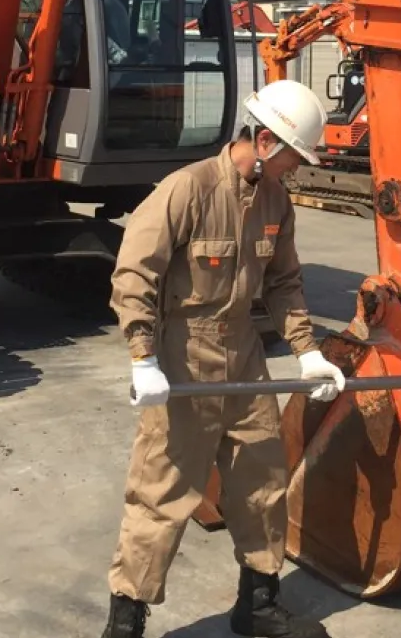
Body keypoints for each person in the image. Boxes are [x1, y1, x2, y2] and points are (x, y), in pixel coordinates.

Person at [101, 79, 346, 638]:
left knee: (263, 480)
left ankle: (256, 605)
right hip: (183, 354)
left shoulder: (276, 200)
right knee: (161, 492)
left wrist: (308, 353)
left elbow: (283, 282)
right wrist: (143, 356)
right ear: (264, 141)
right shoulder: (187, 190)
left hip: (244, 354)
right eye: (293, 157)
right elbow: (134, 273)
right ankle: (125, 621)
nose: (295, 170)